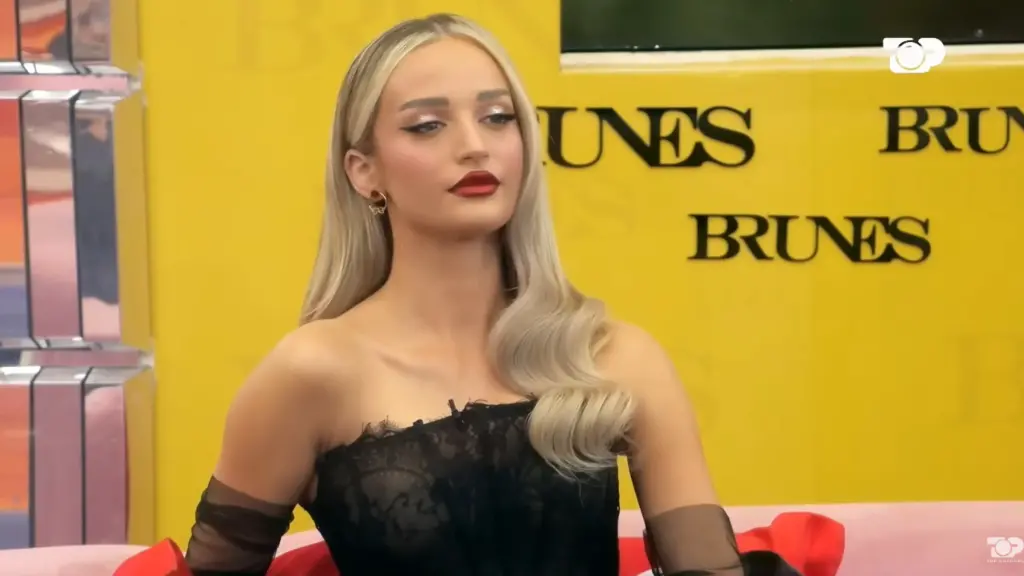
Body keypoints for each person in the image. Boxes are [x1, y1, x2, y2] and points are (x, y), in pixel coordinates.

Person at [184, 13, 802, 576]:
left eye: (498, 117)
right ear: (363, 171)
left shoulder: (615, 359)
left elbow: (709, 570)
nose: (474, 145)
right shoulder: (311, 374)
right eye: (427, 125)